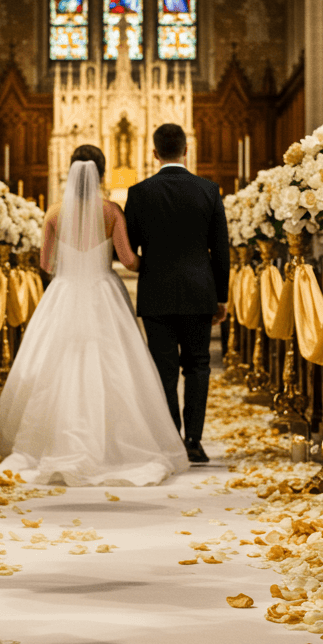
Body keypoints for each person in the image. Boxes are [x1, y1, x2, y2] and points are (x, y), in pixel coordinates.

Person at [0, 144, 189, 486]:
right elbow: (128, 260)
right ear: (102, 173)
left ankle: (49, 440)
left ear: (70, 170)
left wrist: (69, 266)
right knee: (115, 365)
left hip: (63, 293)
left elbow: (45, 265)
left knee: (55, 365)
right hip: (103, 294)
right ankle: (115, 445)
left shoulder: (53, 213)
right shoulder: (111, 212)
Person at [124, 123, 230, 464]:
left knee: (164, 369)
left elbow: (129, 248)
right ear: (187, 151)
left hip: (155, 293)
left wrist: (153, 262)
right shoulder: (208, 190)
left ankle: (172, 442)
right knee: (198, 367)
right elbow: (221, 249)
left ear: (153, 153)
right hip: (200, 293)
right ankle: (194, 442)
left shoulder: (139, 192)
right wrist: (222, 296)